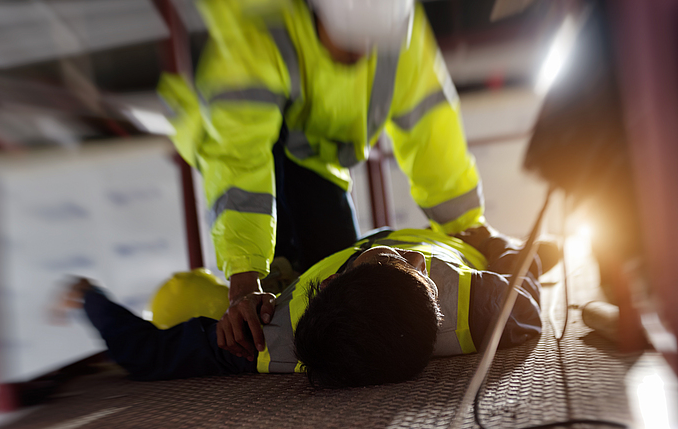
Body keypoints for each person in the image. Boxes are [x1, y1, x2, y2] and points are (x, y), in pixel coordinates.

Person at [156, 0, 558, 357]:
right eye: (347, 46)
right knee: (281, 291)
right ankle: (261, 274)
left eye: (369, 48)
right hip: (243, 143)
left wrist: (469, 227)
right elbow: (239, 158)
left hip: (316, 155)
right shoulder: (258, 31)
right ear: (316, 14)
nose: (360, 56)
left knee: (345, 285)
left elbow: (431, 127)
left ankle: (283, 275)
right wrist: (244, 280)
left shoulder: (398, 27)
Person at [58, 228, 542, 387]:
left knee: (178, 305)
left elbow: (150, 354)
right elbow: (528, 301)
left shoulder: (267, 337)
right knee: (518, 251)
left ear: (329, 281)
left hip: (327, 267)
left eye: (398, 260)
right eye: (407, 263)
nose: (413, 256)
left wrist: (90, 300)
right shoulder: (478, 302)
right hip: (457, 241)